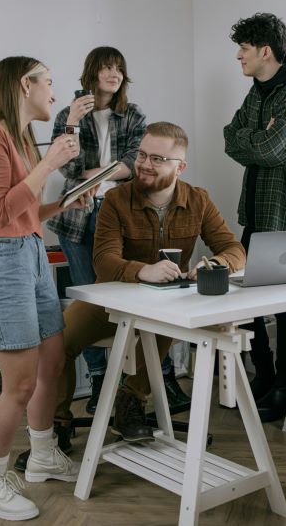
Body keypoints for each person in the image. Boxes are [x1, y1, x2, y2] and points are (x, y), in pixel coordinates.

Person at [57, 121, 245, 442]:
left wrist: (216, 263)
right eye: (142, 155)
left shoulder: (198, 200)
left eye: (157, 159)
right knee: (56, 342)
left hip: (163, 306)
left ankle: (130, 404)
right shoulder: (116, 200)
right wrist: (143, 270)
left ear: (180, 167)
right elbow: (103, 261)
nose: (144, 164)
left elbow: (234, 250)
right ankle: (54, 424)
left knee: (162, 323)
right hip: (109, 301)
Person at [0, 56, 85, 521]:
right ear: (24, 84)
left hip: (31, 252)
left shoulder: (17, 140)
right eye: (48, 83)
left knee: (52, 362)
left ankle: (42, 455)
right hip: (1, 260)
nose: (53, 94)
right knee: (19, 384)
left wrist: (65, 199)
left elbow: (25, 211)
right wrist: (51, 160)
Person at [46, 47, 189, 426]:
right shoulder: (68, 114)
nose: (113, 74)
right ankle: (97, 382)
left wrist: (94, 178)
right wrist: (73, 125)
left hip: (119, 212)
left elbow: (132, 164)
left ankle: (132, 384)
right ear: (92, 72)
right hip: (77, 220)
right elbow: (66, 164)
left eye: (119, 68)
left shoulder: (134, 114)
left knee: (126, 291)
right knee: (87, 297)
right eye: (106, 67)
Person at [223, 13, 286, 423]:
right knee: (245, 299)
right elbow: (231, 136)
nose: (238, 56)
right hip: (260, 211)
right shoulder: (258, 91)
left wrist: (255, 139)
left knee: (284, 306)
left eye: (244, 49)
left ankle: (284, 385)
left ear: (265, 50)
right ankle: (263, 375)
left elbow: (269, 149)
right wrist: (254, 136)